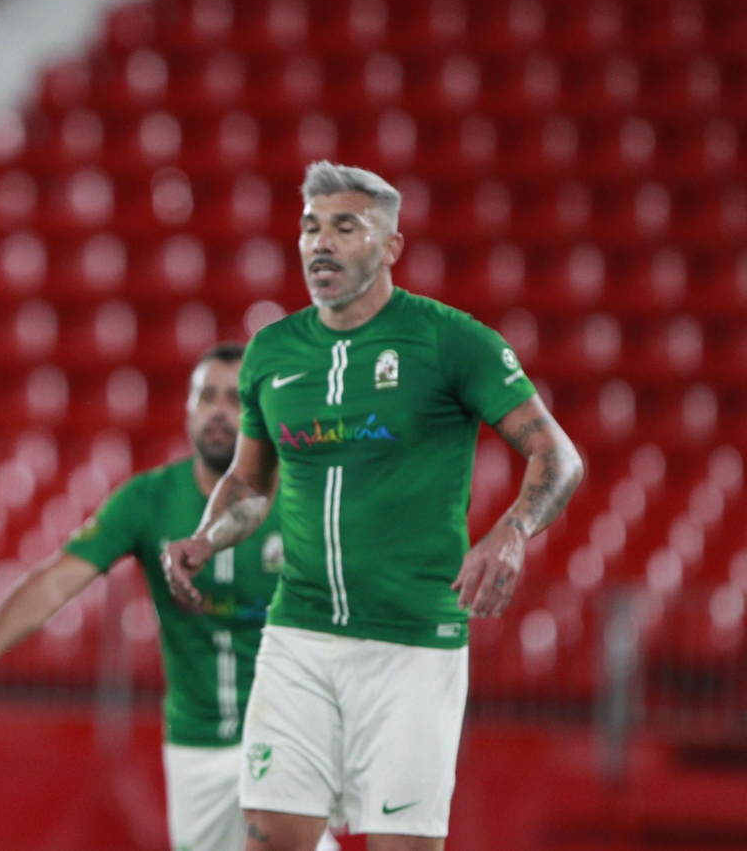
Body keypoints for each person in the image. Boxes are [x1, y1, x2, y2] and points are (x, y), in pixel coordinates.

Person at [164, 163, 584, 851]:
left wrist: (512, 533)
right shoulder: (272, 351)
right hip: (297, 632)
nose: (319, 243)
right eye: (309, 226)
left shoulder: (451, 341)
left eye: (344, 227)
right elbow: (248, 482)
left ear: (390, 246)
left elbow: (558, 457)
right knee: (270, 835)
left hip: (411, 641)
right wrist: (207, 536)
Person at [0, 345, 309, 851]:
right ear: (189, 411)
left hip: (289, 736)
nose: (219, 410)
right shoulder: (150, 499)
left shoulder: (303, 499)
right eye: (207, 396)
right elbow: (59, 579)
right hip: (196, 747)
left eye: (235, 399)